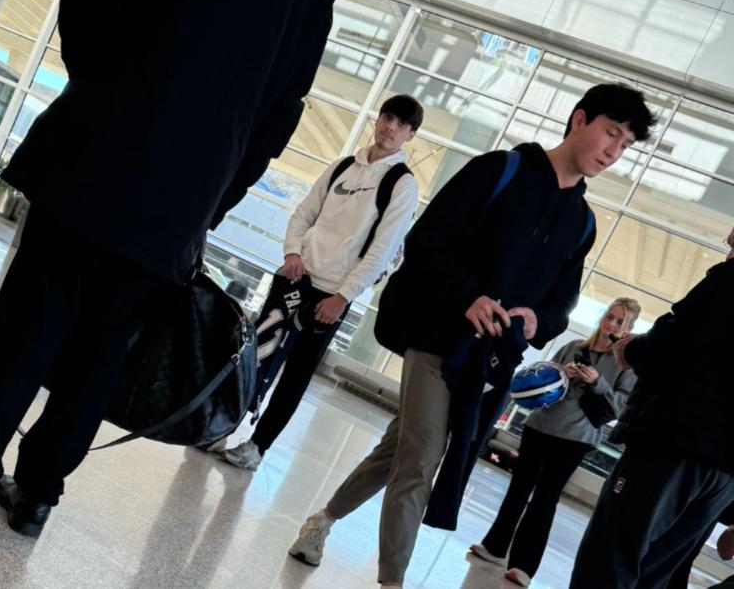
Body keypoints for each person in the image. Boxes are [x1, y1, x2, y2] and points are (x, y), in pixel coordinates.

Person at [0, 0, 345, 538]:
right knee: (104, 350)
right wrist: (215, 196)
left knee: (31, 322)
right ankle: (36, 494)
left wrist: (100, 78)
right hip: (184, 198)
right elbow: (283, 108)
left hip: (105, 149)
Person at [288, 83, 655, 588]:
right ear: (578, 120)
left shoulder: (582, 222)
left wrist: (537, 320)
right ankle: (392, 581)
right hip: (438, 335)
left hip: (494, 358)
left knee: (401, 449)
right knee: (421, 456)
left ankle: (322, 521)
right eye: (611, 134)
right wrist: (469, 296)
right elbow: (426, 240)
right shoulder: (498, 170)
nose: (614, 152)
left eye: (626, 146)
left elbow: (563, 300)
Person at [217, 95, 422, 471]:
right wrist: (292, 252)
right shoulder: (344, 165)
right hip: (295, 276)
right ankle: (220, 426)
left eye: (401, 124)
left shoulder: (402, 184)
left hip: (332, 295)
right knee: (255, 355)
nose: (390, 127)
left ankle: (256, 447)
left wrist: (343, 297)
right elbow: (305, 212)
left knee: (295, 375)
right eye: (387, 117)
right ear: (378, 119)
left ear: (410, 134)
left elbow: (382, 250)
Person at [570, 228, 734, 588]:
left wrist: (631, 349)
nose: (728, 237)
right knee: (653, 575)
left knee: (608, 563)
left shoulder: (728, 282)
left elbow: (675, 344)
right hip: (723, 474)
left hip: (677, 446)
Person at [468, 298, 641, 587]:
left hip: (576, 437)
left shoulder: (625, 365)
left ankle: (524, 566)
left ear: (629, 328)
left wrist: (598, 381)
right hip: (540, 425)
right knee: (518, 489)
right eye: (609, 316)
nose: (611, 323)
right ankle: (495, 547)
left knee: (545, 499)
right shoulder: (574, 348)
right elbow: (541, 378)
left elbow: (621, 406)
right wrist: (562, 373)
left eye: (620, 321)